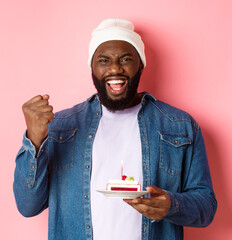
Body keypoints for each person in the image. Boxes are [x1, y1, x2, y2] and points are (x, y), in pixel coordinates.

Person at [13, 19, 217, 240]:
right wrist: (34, 139)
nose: (114, 68)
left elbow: (206, 207)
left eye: (126, 59)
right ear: (92, 67)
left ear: (141, 65)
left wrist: (172, 205)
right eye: (104, 60)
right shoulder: (60, 125)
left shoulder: (180, 126)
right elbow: (28, 206)